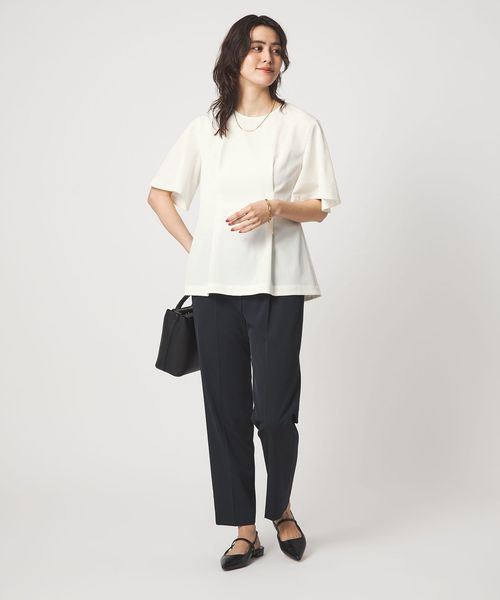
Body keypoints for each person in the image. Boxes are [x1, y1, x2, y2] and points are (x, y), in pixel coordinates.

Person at [147, 14, 341, 570]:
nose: (267, 57)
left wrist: (275, 206)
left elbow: (321, 207)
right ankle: (244, 529)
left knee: (275, 413)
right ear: (235, 55)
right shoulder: (205, 129)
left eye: (276, 49)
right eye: (256, 47)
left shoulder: (301, 126)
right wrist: (199, 249)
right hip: (214, 289)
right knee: (225, 411)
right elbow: (160, 195)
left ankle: (281, 508)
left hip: (279, 285)